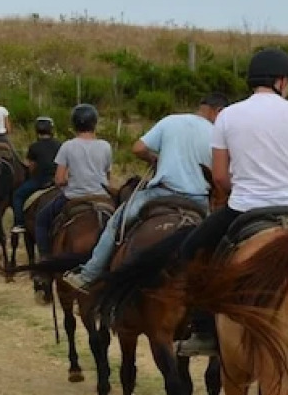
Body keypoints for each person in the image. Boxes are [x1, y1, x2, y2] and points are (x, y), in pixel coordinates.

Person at [167, 48, 288, 355]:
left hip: (244, 207)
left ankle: (204, 330)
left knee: (192, 250)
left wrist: (245, 184)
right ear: (281, 81)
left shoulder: (228, 116)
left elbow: (218, 177)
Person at [62, 93, 227, 291]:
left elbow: (138, 148)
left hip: (162, 193)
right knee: (218, 241)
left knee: (117, 223)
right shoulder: (217, 133)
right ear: (218, 111)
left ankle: (89, 274)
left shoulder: (171, 121)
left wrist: (154, 159)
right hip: (199, 200)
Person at [33, 104, 113, 251]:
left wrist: (71, 181)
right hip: (102, 197)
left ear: (74, 124)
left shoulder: (68, 146)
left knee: (41, 221)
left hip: (74, 197)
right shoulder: (106, 146)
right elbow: (108, 177)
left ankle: (44, 261)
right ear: (94, 124)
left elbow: (59, 180)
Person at [11, 117, 60, 234]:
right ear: (51, 130)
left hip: (40, 181)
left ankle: (19, 223)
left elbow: (31, 166)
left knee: (17, 196)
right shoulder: (59, 145)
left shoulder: (34, 147)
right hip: (57, 180)